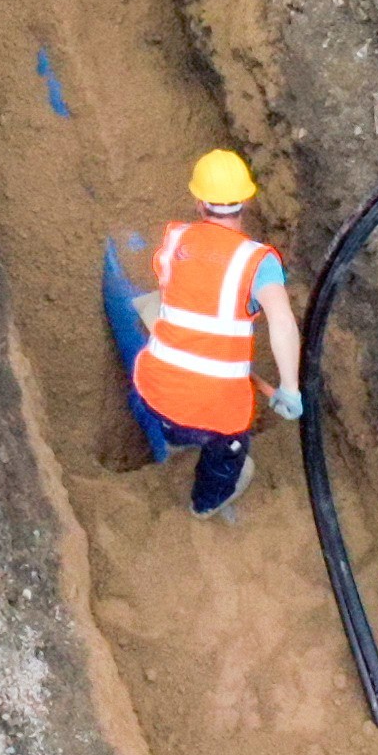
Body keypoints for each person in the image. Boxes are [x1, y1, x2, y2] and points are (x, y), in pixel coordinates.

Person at [103, 148, 303, 517]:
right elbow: (282, 322)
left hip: (156, 397)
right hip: (215, 417)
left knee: (165, 401)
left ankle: (172, 439)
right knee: (229, 454)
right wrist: (289, 388)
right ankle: (206, 503)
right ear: (246, 199)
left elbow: (175, 287)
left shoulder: (176, 242)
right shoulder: (258, 261)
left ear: (198, 202)